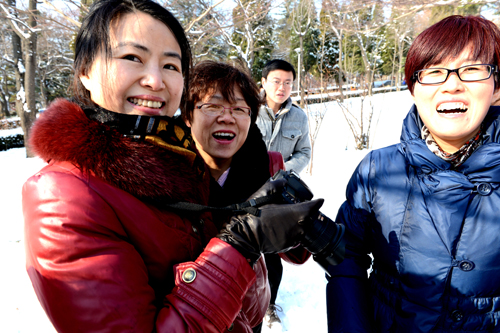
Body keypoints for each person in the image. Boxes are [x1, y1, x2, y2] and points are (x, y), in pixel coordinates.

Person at [21, 0, 326, 332]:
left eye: (170, 65)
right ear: (85, 71)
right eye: (132, 58)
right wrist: (239, 242)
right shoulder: (64, 195)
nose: (154, 79)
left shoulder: (176, 160)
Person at [326, 15, 500, 332]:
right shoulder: (379, 170)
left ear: (497, 88)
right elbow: (345, 254)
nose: (452, 84)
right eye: (434, 72)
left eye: (472, 69)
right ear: (413, 90)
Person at [183, 60, 312, 332]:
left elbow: (297, 254)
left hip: (248, 313)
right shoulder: (164, 182)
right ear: (187, 114)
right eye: (212, 106)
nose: (227, 117)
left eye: (239, 109)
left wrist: (301, 224)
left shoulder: (264, 167)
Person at [256, 59, 312, 327]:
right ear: (264, 82)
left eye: (288, 82)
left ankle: (269, 306)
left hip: (280, 193)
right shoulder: (248, 110)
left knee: (273, 252)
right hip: (247, 191)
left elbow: (305, 152)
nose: (282, 87)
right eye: (276, 81)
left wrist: (282, 170)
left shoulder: (299, 117)